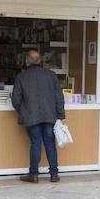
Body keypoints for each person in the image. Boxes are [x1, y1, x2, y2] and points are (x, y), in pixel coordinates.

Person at [12, 50, 66, 183]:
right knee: (50, 144)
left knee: (35, 143)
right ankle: (54, 174)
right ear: (40, 61)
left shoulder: (21, 77)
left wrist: (23, 110)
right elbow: (59, 96)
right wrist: (61, 115)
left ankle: (33, 174)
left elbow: (15, 101)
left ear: (27, 61)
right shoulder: (51, 75)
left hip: (31, 116)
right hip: (49, 115)